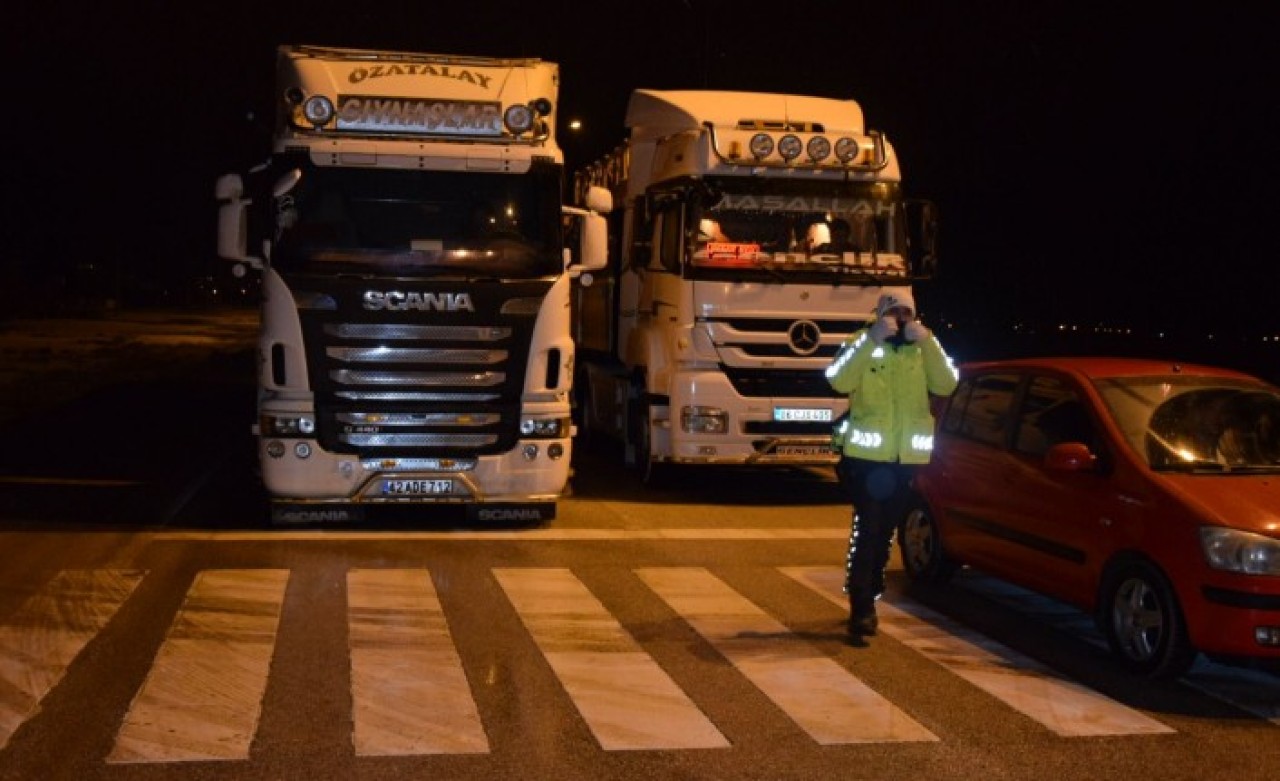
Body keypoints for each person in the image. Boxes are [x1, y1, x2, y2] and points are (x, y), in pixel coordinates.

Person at [825, 290, 959, 637]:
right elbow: (838, 379)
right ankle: (861, 605)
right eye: (893, 311)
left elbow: (947, 384)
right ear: (881, 313)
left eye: (905, 312)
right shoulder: (862, 341)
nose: (900, 318)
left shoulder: (921, 346)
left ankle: (871, 587)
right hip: (867, 460)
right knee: (868, 528)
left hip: (905, 460)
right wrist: (870, 341)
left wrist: (928, 343)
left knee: (884, 531)